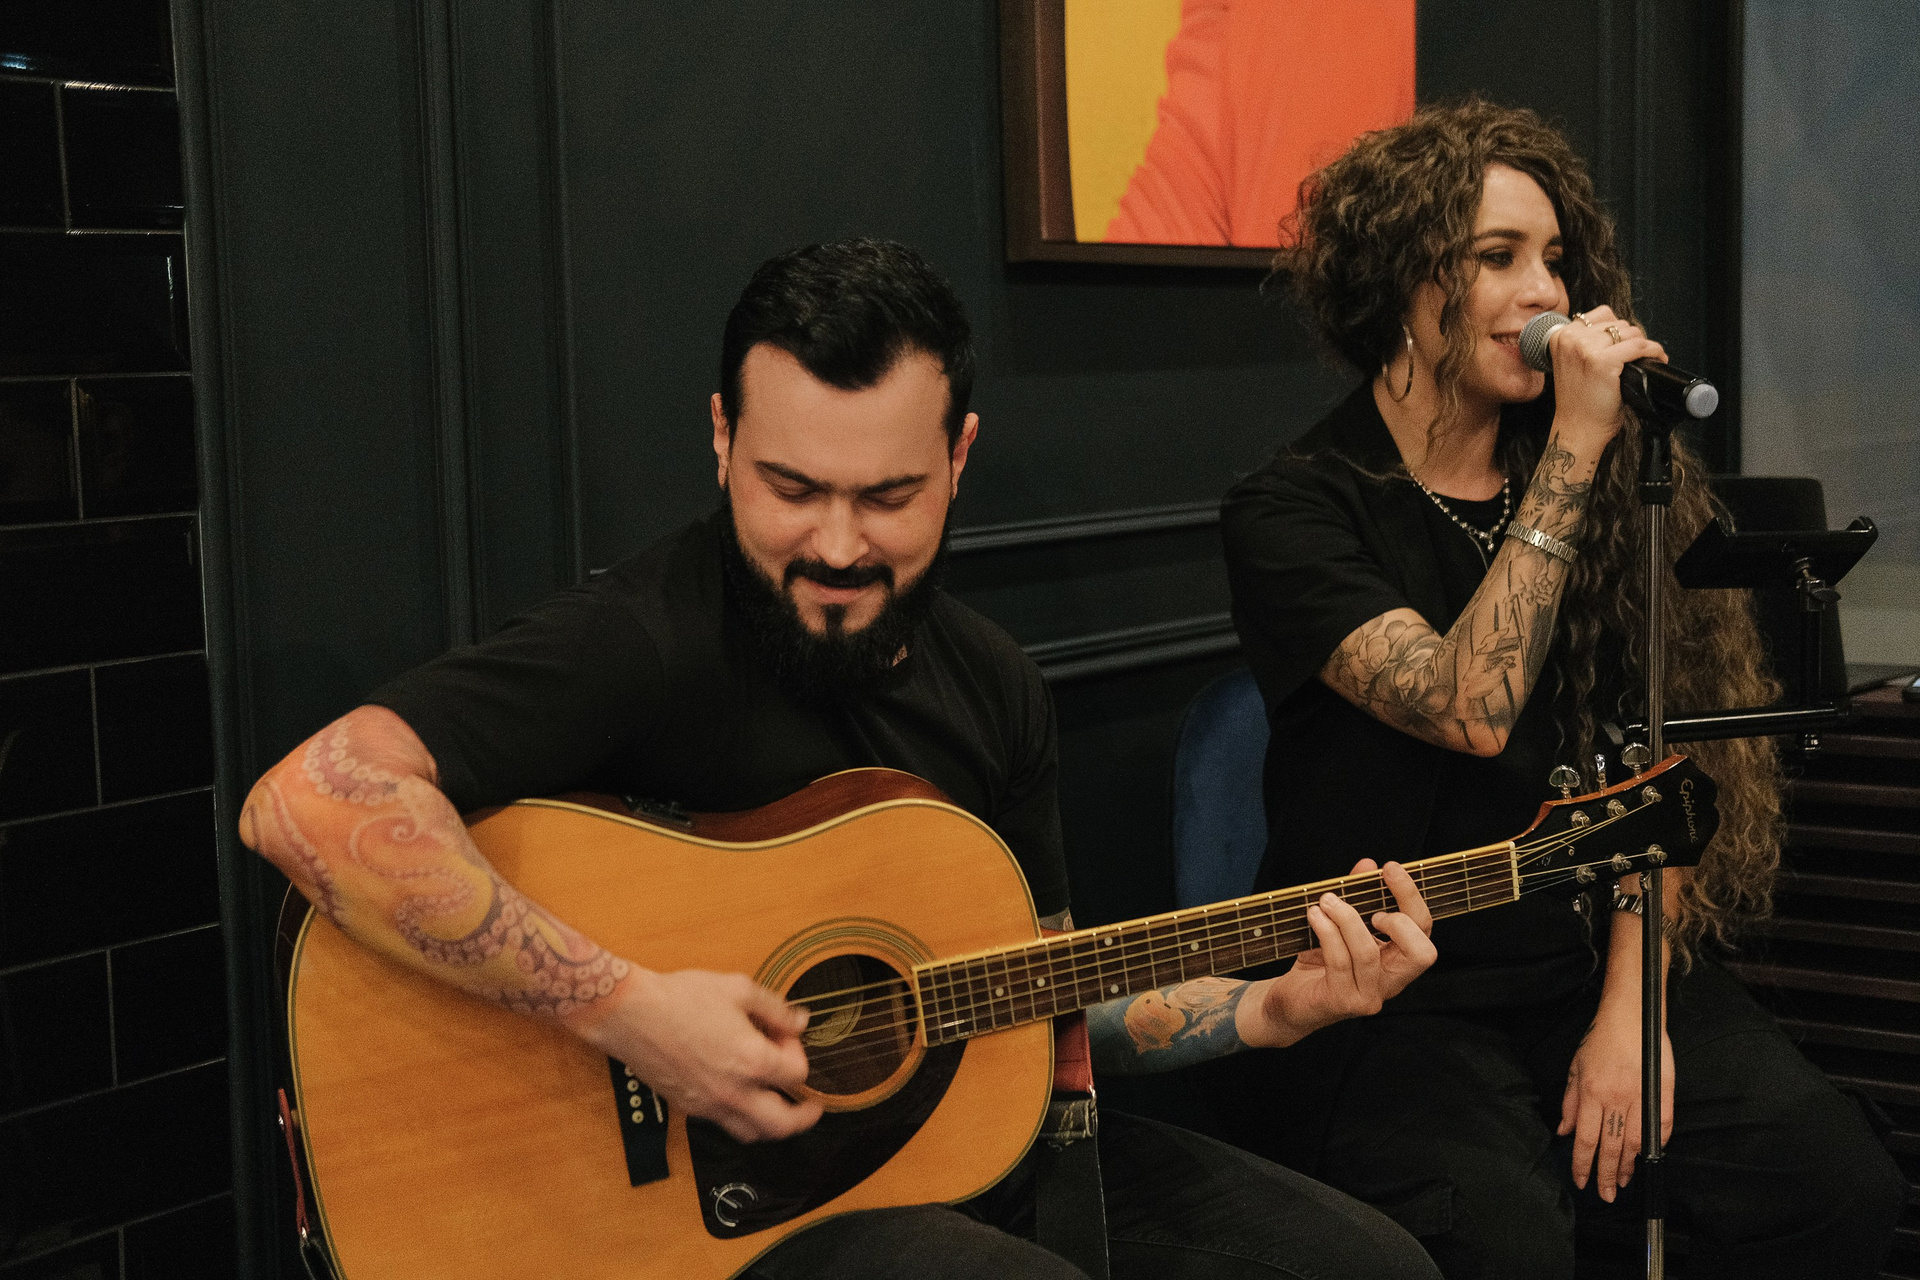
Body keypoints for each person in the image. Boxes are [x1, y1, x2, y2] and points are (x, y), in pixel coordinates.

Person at [239, 239, 1445, 1279]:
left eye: (888, 495)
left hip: (937, 1152)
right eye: (792, 487)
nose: (836, 542)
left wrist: (1270, 1006)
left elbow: (1045, 1004)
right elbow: (302, 804)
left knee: (1368, 1264)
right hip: (716, 1217)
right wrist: (633, 1011)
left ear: (959, 456)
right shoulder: (644, 636)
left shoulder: (995, 685)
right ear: (723, 438)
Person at [1213, 98, 1906, 1278]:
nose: (1546, 293)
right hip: (1393, 993)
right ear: (1398, 281)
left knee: (1830, 1179)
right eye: (1498, 257)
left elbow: (1664, 767)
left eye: (1555, 258)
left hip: (1585, 954)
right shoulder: (1297, 508)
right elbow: (1467, 705)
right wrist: (1580, 447)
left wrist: (1632, 1012)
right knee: (1503, 1239)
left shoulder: (1611, 489)